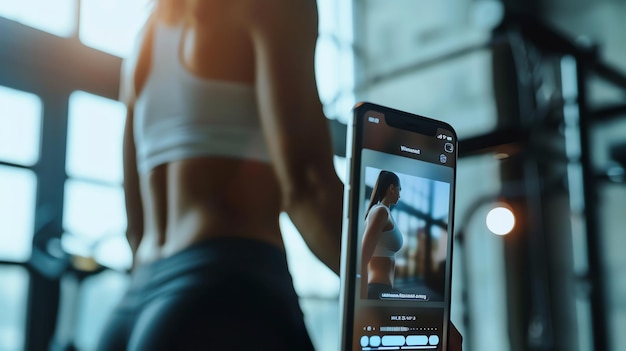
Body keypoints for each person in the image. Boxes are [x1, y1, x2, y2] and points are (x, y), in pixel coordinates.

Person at [96, 0, 463, 350]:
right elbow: (306, 187)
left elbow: (135, 222)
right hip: (226, 298)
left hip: (134, 309)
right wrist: (412, 315)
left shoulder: (149, 31)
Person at [361, 170, 403, 299]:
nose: (399, 195)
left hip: (383, 289)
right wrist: (361, 296)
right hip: (376, 289)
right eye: (399, 190)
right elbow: (363, 256)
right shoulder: (380, 212)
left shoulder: (386, 213)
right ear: (391, 188)